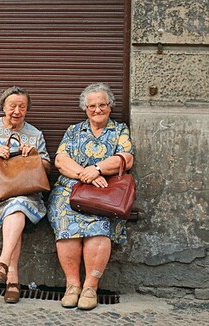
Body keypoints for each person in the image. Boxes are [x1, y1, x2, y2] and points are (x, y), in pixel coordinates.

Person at [48, 82, 134, 310]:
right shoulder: (74, 130)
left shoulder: (119, 130)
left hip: (105, 190)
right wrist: (85, 175)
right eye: (92, 106)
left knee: (99, 225)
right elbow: (60, 160)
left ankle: (90, 287)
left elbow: (126, 158)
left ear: (110, 106)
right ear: (85, 108)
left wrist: (97, 169)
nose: (97, 110)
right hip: (71, 188)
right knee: (66, 222)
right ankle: (72, 285)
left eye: (102, 105)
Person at [0, 86, 51, 303]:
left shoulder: (35, 134)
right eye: (12, 106)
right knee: (16, 208)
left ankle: (4, 264)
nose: (16, 111)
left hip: (27, 189)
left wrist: (33, 155)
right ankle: (12, 278)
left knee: (19, 205)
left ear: (27, 110)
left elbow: (48, 167)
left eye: (22, 107)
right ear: (3, 107)